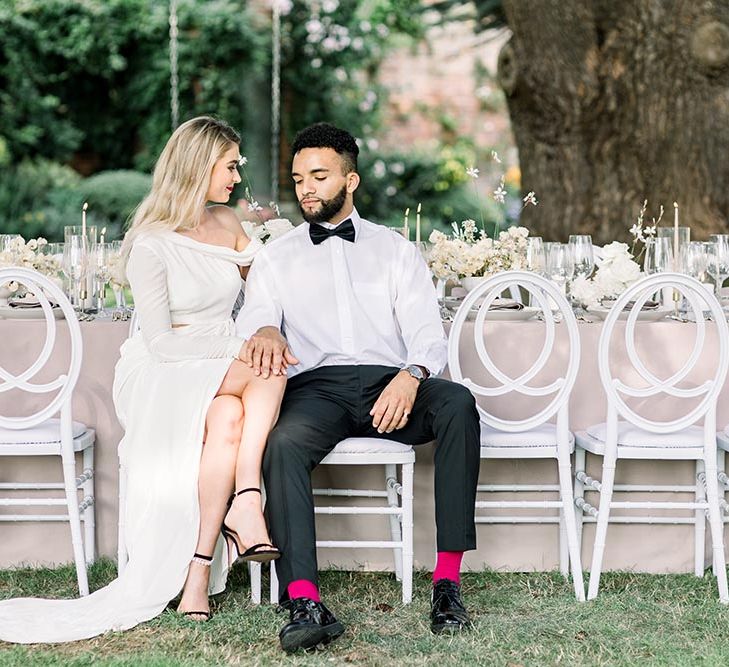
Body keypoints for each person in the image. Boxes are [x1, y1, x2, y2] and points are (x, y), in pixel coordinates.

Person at [0, 116, 289, 643]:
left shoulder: (229, 224)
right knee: (269, 364)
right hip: (163, 370)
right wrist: (242, 346)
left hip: (219, 367)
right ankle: (247, 498)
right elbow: (160, 342)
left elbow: (274, 281)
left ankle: (200, 565)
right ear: (199, 166)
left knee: (231, 410)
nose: (235, 175)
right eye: (229, 165)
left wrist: (264, 317)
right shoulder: (151, 244)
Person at [236, 122, 481, 653]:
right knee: (281, 444)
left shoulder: (394, 251)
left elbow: (425, 336)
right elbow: (254, 322)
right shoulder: (276, 257)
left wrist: (412, 376)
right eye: (299, 178)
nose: (306, 189)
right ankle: (302, 598)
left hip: (389, 386)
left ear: (351, 181)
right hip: (314, 391)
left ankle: (447, 585)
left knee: (458, 403)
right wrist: (264, 327)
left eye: (319, 176)